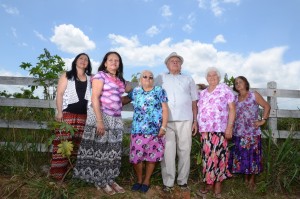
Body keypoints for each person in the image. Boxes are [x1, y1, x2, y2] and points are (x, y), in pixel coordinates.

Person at [73, 51, 131, 195]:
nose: (113, 62)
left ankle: (110, 178)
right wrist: (99, 121)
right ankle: (100, 181)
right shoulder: (100, 76)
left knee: (113, 151)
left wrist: (132, 92)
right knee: (101, 151)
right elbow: (95, 98)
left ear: (119, 64)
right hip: (101, 116)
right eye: (110, 60)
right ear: (105, 63)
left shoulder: (120, 80)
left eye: (116, 60)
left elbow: (121, 97)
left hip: (116, 118)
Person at [155, 52, 198, 192]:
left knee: (185, 151)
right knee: (168, 152)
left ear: (181, 65)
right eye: (172, 61)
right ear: (167, 65)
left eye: (177, 61)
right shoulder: (160, 78)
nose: (175, 62)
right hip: (166, 121)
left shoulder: (188, 79)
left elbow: (194, 101)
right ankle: (168, 183)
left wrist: (195, 121)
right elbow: (151, 93)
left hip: (186, 119)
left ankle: (182, 182)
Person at [124, 70, 169, 193]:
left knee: (151, 157)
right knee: (136, 157)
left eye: (150, 77)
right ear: (140, 79)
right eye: (145, 77)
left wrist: (163, 127)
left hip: (155, 131)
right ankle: (139, 180)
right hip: (138, 130)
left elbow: (165, 109)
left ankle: (146, 180)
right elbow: (123, 100)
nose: (148, 79)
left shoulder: (159, 91)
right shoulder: (136, 91)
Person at [50, 53, 92, 181]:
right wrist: (59, 112)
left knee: (78, 147)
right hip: (67, 115)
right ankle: (57, 176)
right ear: (75, 61)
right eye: (81, 58)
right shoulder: (67, 75)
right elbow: (60, 94)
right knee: (62, 145)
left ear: (88, 64)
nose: (83, 61)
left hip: (84, 117)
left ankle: (72, 175)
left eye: (86, 59)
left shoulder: (90, 79)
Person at [197, 67, 236, 198]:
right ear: (206, 78)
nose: (212, 77)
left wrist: (229, 127)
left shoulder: (224, 89)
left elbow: (232, 109)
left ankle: (217, 184)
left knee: (219, 156)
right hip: (205, 131)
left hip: (220, 130)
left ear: (219, 78)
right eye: (209, 75)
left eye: (215, 75)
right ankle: (209, 182)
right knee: (207, 157)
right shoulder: (202, 93)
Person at [229, 76, 270, 190]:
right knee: (242, 156)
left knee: (252, 157)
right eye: (236, 83)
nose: (238, 84)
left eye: (240, 82)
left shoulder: (254, 95)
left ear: (246, 83)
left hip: (252, 132)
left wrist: (263, 120)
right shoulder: (235, 99)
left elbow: (267, 106)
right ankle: (245, 178)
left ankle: (252, 179)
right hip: (238, 132)